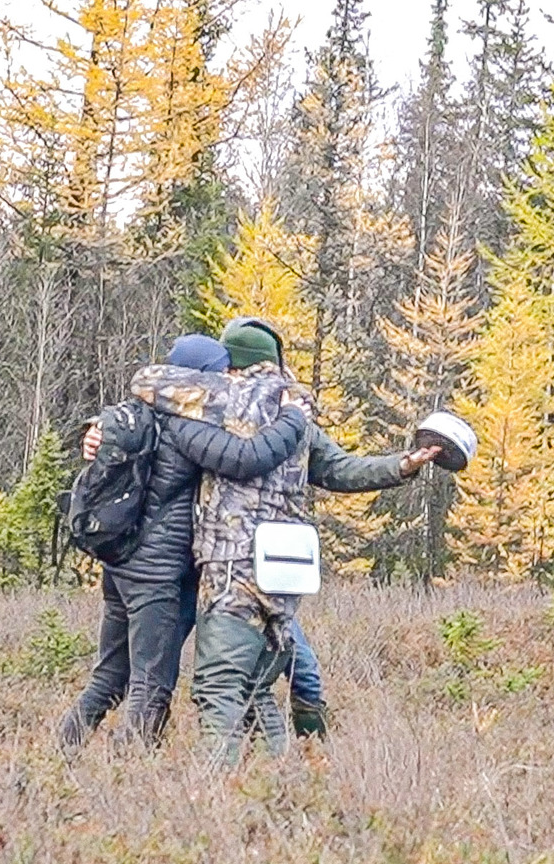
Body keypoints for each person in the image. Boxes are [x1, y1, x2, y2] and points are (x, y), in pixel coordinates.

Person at [147, 317, 445, 762]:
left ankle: (213, 793)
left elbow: (150, 384)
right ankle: (280, 779)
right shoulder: (298, 414)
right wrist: (401, 465)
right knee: (256, 685)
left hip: (234, 563)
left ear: (233, 363)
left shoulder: (223, 400)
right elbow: (340, 470)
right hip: (288, 568)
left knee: (218, 686)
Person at [55, 334, 312, 751]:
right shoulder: (186, 424)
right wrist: (292, 420)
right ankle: (130, 774)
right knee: (151, 684)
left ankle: (62, 752)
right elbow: (245, 459)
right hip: (154, 574)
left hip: (120, 564)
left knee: (110, 673)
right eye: (220, 374)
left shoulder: (138, 409)